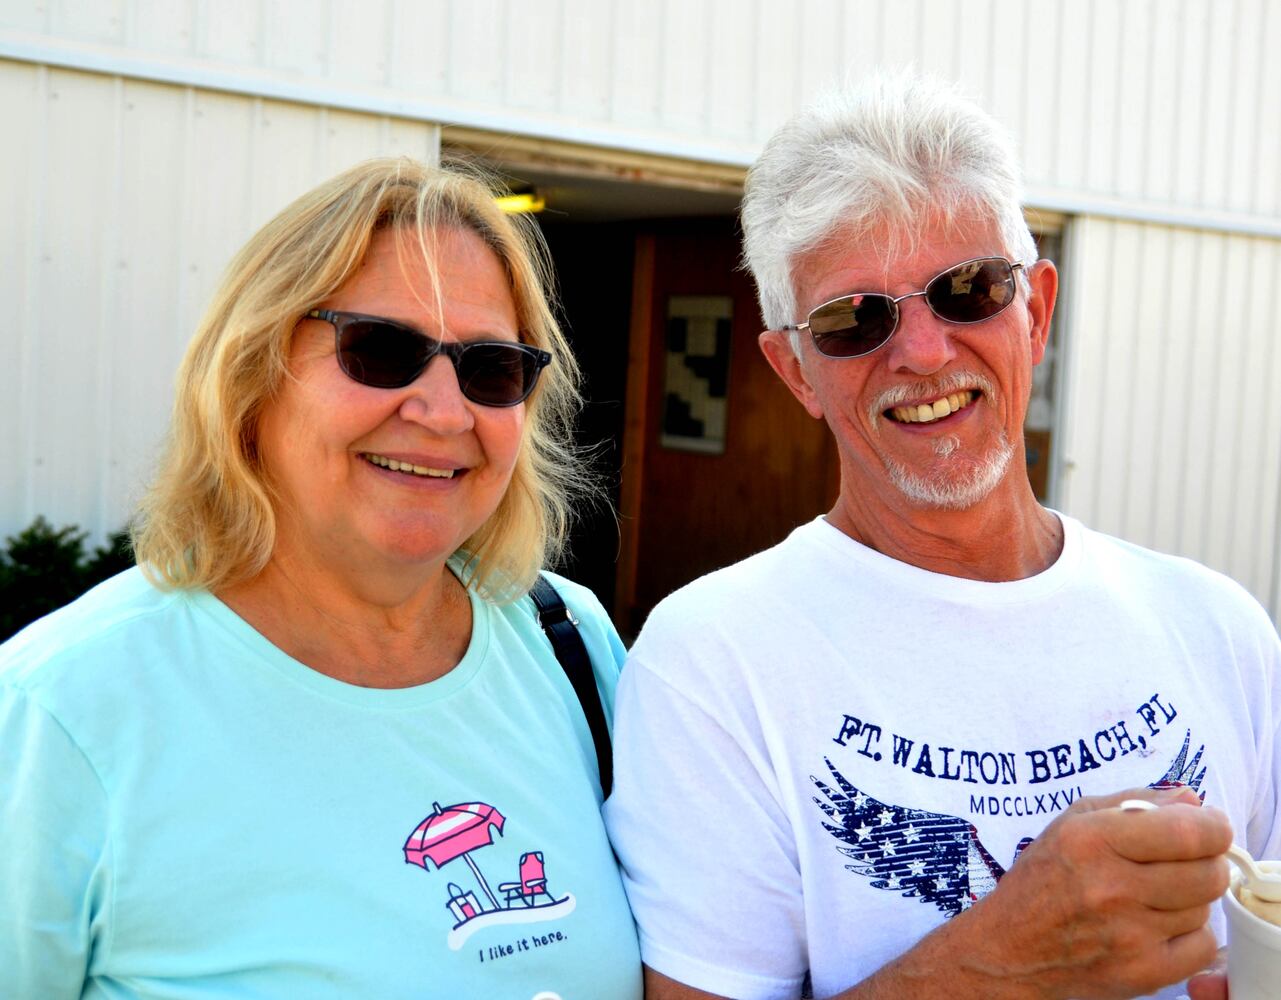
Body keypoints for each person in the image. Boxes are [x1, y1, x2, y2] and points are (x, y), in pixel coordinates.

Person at [604, 73, 1280, 1000]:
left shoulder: (1222, 629)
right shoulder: (712, 663)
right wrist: (1000, 961)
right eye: (852, 320)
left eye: (968, 289)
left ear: (1035, 311)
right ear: (794, 371)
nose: (922, 352)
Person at [0, 159, 642, 998]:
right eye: (382, 350)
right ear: (250, 377)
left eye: (490, 368)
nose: (445, 412)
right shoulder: (64, 708)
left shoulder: (568, 644)